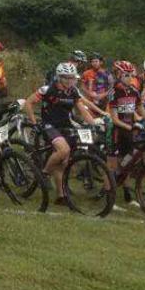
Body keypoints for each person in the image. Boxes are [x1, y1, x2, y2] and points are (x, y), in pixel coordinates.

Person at [22, 62, 96, 207]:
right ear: (59, 77)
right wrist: (34, 122)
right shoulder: (48, 89)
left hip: (65, 125)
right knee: (64, 150)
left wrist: (94, 125)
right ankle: (43, 174)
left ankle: (61, 196)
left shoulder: (73, 91)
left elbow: (82, 110)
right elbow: (29, 103)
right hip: (49, 125)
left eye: (72, 78)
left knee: (63, 162)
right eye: (66, 78)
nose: (70, 81)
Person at [107, 60, 142, 202]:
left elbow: (141, 112)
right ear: (119, 75)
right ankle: (109, 197)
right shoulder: (114, 92)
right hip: (116, 130)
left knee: (127, 162)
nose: (130, 78)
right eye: (126, 75)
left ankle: (127, 194)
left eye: (131, 75)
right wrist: (131, 127)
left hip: (128, 130)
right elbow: (115, 119)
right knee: (112, 164)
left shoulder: (134, 91)